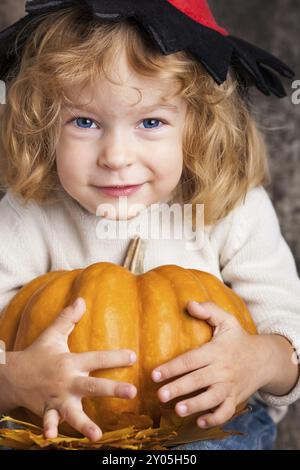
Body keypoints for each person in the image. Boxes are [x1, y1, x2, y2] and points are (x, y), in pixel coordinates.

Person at [0, 0, 299, 451]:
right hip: (63, 430)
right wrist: (16, 378)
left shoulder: (231, 210)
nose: (116, 156)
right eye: (84, 121)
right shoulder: (29, 215)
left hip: (200, 432)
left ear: (197, 124)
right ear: (44, 124)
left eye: (151, 122)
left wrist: (259, 361)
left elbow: (290, 331)